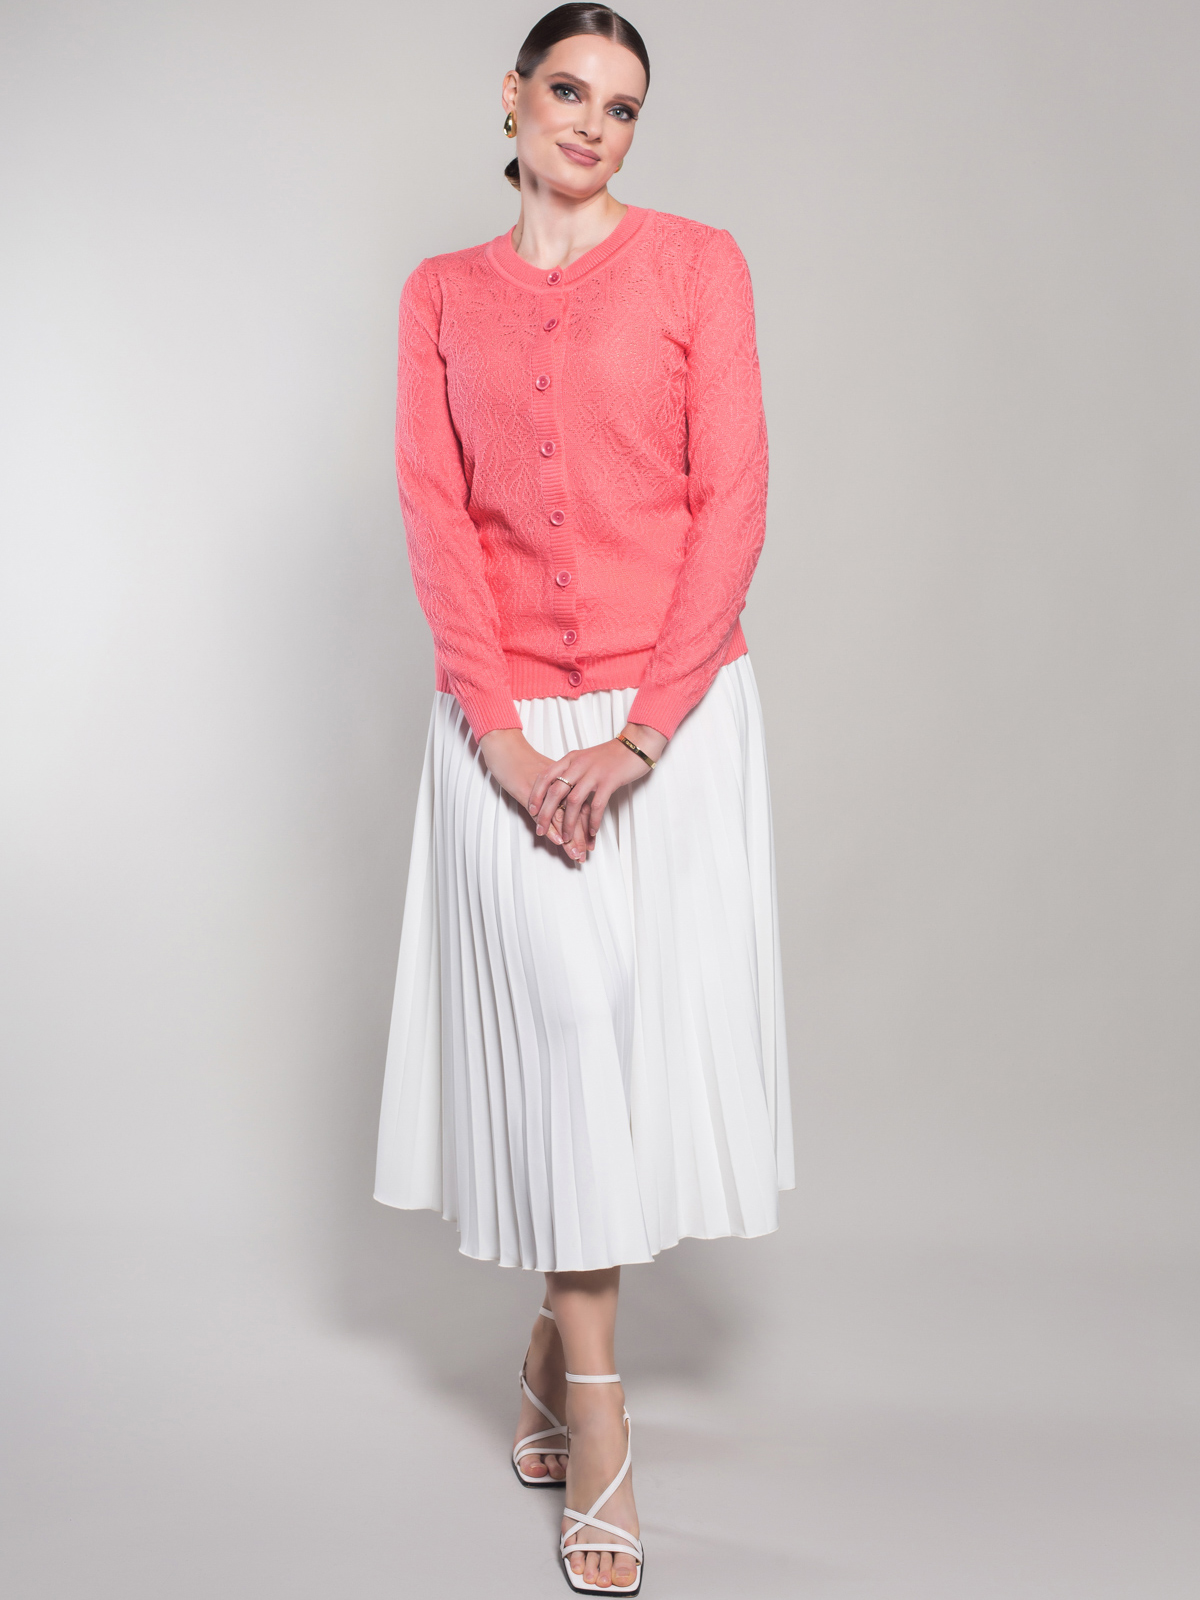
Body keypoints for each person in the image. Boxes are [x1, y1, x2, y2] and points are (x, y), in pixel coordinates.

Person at [374, 5, 794, 1590]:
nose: (591, 124)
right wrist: (502, 740)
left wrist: (641, 737)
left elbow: (732, 504)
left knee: (619, 1034)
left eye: (621, 106)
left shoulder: (697, 267)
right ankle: (604, 1416)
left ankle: (556, 1350)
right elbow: (437, 518)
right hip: (503, 728)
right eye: (567, 89)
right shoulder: (438, 295)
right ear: (514, 96)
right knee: (563, 1025)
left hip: (664, 715)